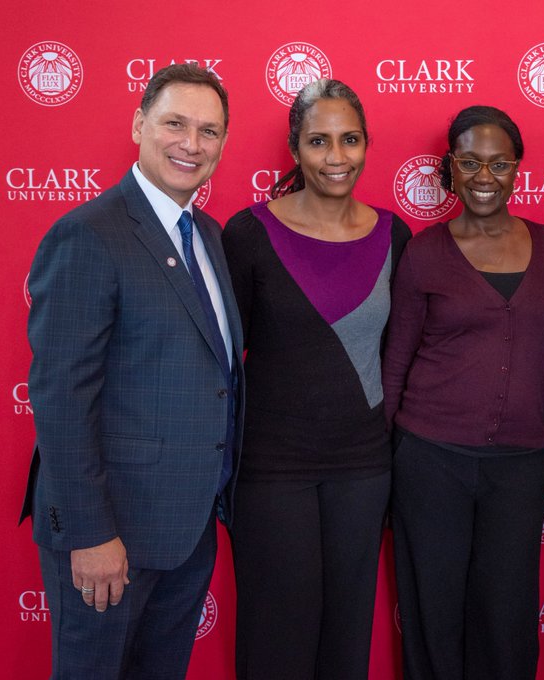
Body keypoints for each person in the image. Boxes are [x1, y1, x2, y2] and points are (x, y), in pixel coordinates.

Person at [20, 63, 241, 679]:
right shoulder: (88, 235)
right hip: (108, 537)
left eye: (209, 131)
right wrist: (89, 534)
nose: (191, 144)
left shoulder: (209, 235)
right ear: (140, 124)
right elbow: (61, 399)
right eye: (175, 124)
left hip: (188, 528)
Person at [220, 78, 411, 679]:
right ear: (294, 148)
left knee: (346, 634)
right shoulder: (247, 234)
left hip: (363, 466)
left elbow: (398, 357)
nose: (337, 157)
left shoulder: (394, 234)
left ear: (366, 144)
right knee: (277, 633)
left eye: (350, 140)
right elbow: (222, 360)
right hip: (272, 469)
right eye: (319, 141)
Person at [382, 105, 544, 680]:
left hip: (521, 466)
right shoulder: (424, 251)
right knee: (432, 613)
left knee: (507, 619)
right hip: (430, 458)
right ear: (451, 170)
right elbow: (396, 361)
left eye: (499, 163)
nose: (485, 176)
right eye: (470, 162)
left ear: (517, 170)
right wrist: (384, 461)